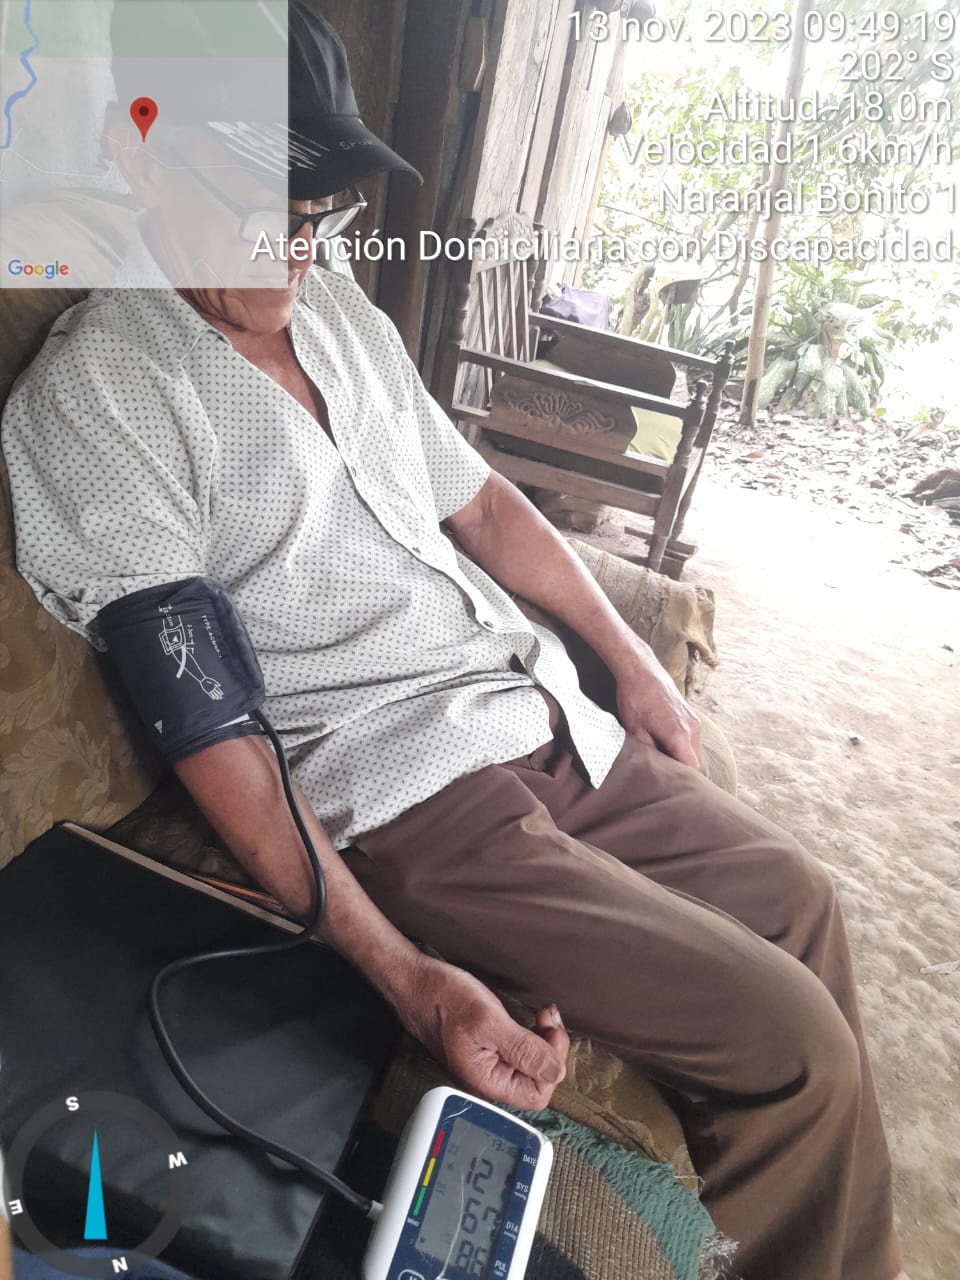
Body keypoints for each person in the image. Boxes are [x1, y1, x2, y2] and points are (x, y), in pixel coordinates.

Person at [1, 6, 907, 1279]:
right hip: (417, 800)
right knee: (794, 1041)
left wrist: (630, 662)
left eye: (316, 213)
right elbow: (211, 730)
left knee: (802, 898)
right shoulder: (105, 394)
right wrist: (408, 974)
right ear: (135, 151)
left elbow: (479, 504)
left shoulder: (343, 317)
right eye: (259, 207)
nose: (294, 249)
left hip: (533, 706)